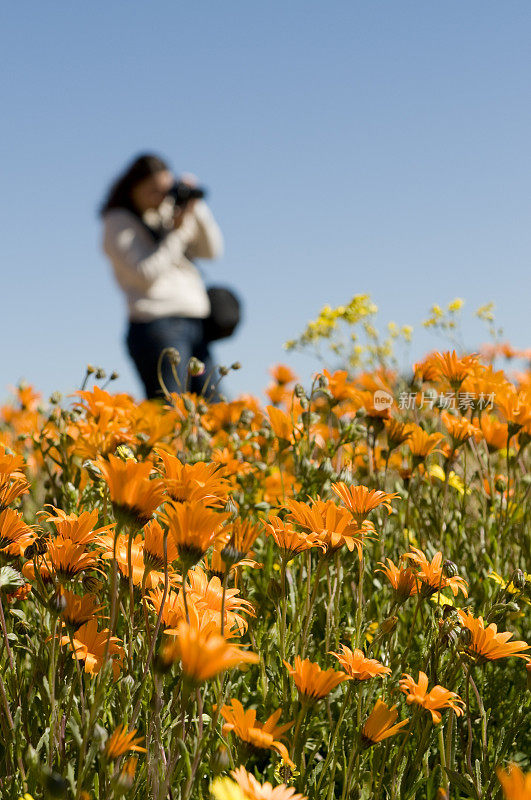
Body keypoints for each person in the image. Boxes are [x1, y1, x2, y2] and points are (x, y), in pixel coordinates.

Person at [100, 153, 224, 399]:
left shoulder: (166, 214)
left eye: (166, 191)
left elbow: (212, 251)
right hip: (158, 326)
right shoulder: (118, 223)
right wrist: (176, 234)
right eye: (154, 191)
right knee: (171, 409)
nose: (161, 198)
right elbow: (145, 273)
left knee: (215, 408)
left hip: (195, 321)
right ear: (133, 187)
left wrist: (195, 208)